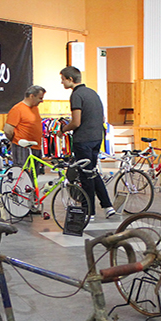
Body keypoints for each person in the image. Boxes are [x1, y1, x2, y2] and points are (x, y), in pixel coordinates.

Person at [58, 66, 116, 221]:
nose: (62, 82)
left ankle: (88, 211)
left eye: (63, 79)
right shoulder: (92, 93)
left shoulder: (76, 95)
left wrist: (63, 129)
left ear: (70, 79)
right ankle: (108, 206)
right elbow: (102, 118)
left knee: (85, 175)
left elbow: (76, 122)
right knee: (92, 171)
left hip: (83, 139)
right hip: (97, 137)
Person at [4, 85, 46, 167]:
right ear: (32, 96)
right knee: (23, 174)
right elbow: (8, 130)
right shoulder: (17, 109)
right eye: (40, 98)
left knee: (34, 175)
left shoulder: (35, 108)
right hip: (22, 147)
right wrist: (15, 141)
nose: (42, 101)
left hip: (36, 146)